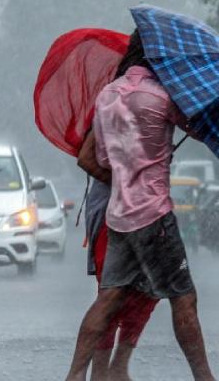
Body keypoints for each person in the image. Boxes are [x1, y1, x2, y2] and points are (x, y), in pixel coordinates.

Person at [65, 30, 215, 381]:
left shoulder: (107, 96)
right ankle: (205, 378)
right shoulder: (161, 97)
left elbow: (101, 157)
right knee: (184, 299)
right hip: (154, 215)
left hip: (118, 216)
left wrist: (130, 171)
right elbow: (200, 129)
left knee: (107, 299)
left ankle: (74, 376)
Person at [76, 131, 159, 381]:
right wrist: (124, 183)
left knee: (148, 292)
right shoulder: (111, 105)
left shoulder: (156, 108)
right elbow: (86, 159)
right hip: (112, 215)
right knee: (111, 294)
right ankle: (98, 373)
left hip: (148, 212)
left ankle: (118, 368)